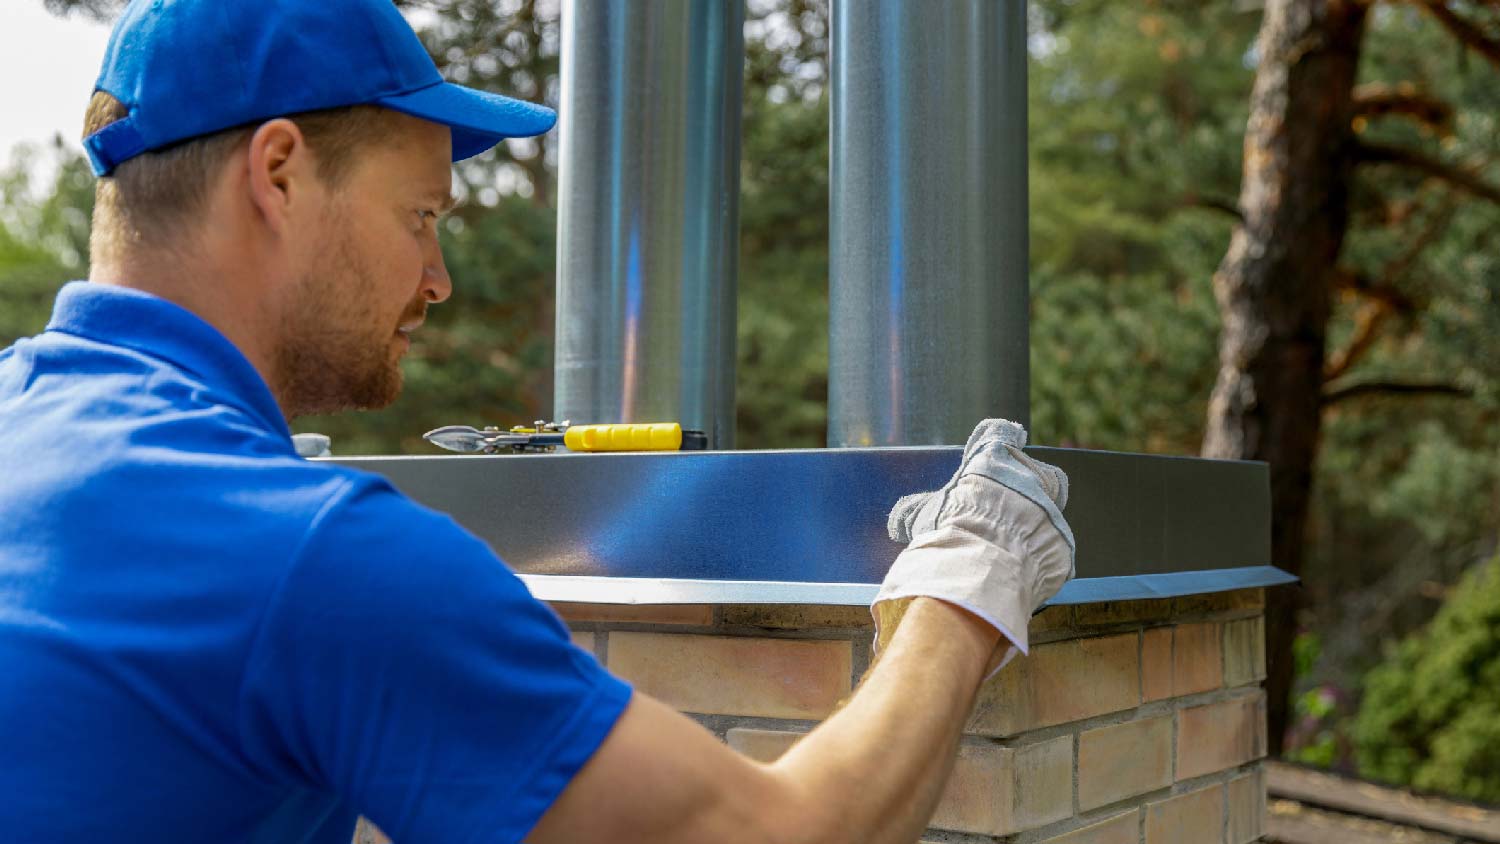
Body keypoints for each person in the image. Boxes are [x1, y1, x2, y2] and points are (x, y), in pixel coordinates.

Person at [0, 1, 1075, 842]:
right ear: (278, 173)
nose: (439, 277)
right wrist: (966, 583)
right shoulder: (304, 553)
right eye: (420, 216)